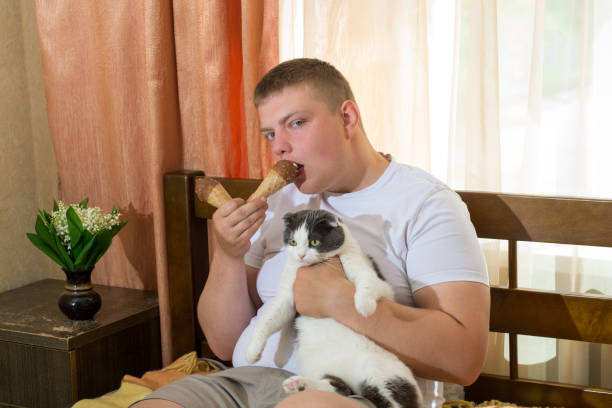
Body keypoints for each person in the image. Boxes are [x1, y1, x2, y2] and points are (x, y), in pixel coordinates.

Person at [132, 58, 490, 408]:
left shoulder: (426, 204)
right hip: (247, 383)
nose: (278, 146)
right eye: (271, 133)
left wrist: (340, 299)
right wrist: (228, 254)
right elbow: (224, 343)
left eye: (297, 123)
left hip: (354, 389)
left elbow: (464, 359)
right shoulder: (279, 204)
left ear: (347, 118)